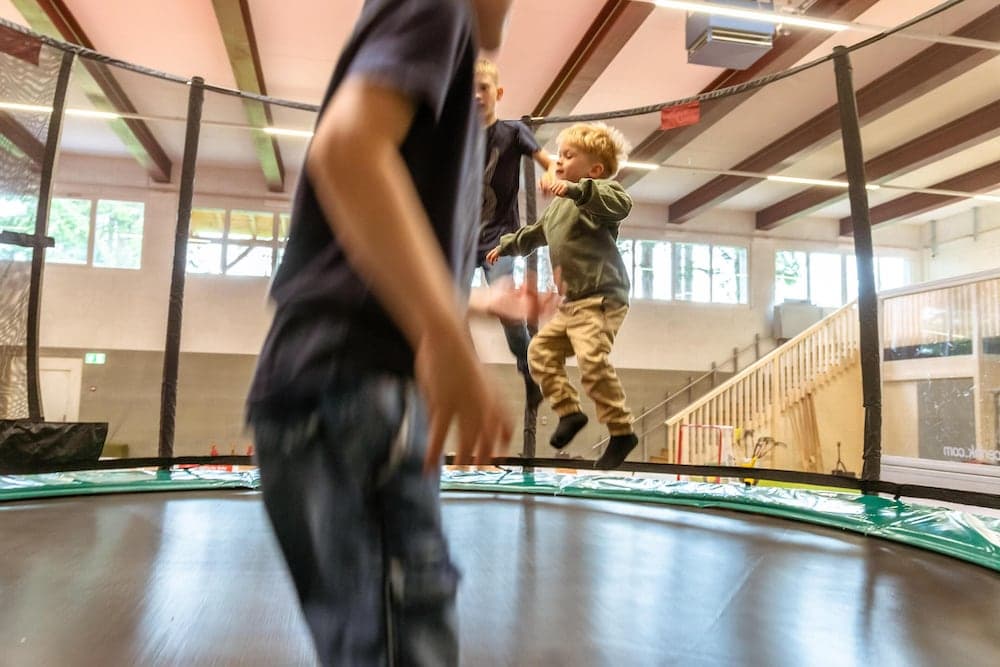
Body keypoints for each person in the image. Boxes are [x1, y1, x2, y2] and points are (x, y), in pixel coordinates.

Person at [245, 1, 516, 665]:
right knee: (403, 639)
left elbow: (365, 254)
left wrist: (470, 304)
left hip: (339, 379)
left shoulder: (447, 63)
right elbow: (348, 150)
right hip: (356, 383)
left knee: (375, 640)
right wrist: (442, 333)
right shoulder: (443, 6)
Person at [486, 121, 638, 470]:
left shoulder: (600, 194)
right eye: (560, 155)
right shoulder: (558, 207)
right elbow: (536, 233)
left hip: (602, 298)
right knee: (539, 352)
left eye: (569, 156)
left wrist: (575, 190)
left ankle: (621, 431)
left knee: (591, 359)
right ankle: (569, 411)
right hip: (572, 305)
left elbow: (621, 205)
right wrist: (506, 246)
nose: (559, 161)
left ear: (594, 170)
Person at [473, 58, 551, 411]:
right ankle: (466, 374)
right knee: (445, 307)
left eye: (483, 88)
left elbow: (546, 160)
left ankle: (527, 370)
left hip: (499, 240)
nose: (476, 96)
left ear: (498, 93)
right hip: (462, 241)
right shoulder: (457, 137)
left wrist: (553, 174)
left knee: (508, 310)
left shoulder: (514, 132)